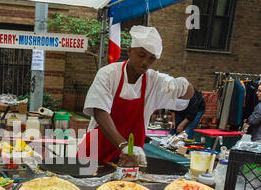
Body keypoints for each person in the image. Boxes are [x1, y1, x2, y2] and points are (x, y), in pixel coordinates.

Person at [78, 25, 194, 165]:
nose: (145, 62)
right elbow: (99, 111)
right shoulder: (108, 74)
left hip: (130, 159)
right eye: (141, 55)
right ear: (130, 51)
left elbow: (187, 95)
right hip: (95, 152)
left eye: (151, 58)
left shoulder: (154, 81)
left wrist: (184, 85)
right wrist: (124, 146)